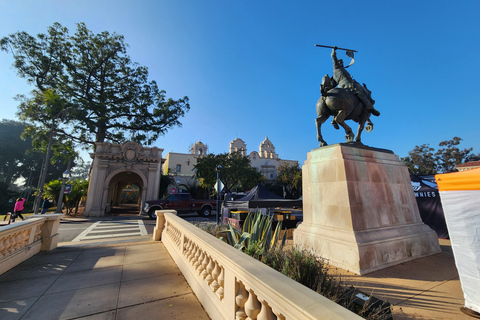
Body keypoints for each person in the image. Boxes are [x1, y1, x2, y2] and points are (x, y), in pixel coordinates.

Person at [331, 47, 380, 117]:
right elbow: (334, 58)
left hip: (341, 87)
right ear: (337, 63)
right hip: (348, 85)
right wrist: (333, 51)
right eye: (340, 62)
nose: (341, 63)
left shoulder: (338, 72)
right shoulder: (337, 68)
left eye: (342, 62)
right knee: (361, 94)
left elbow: (333, 83)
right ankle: (370, 107)